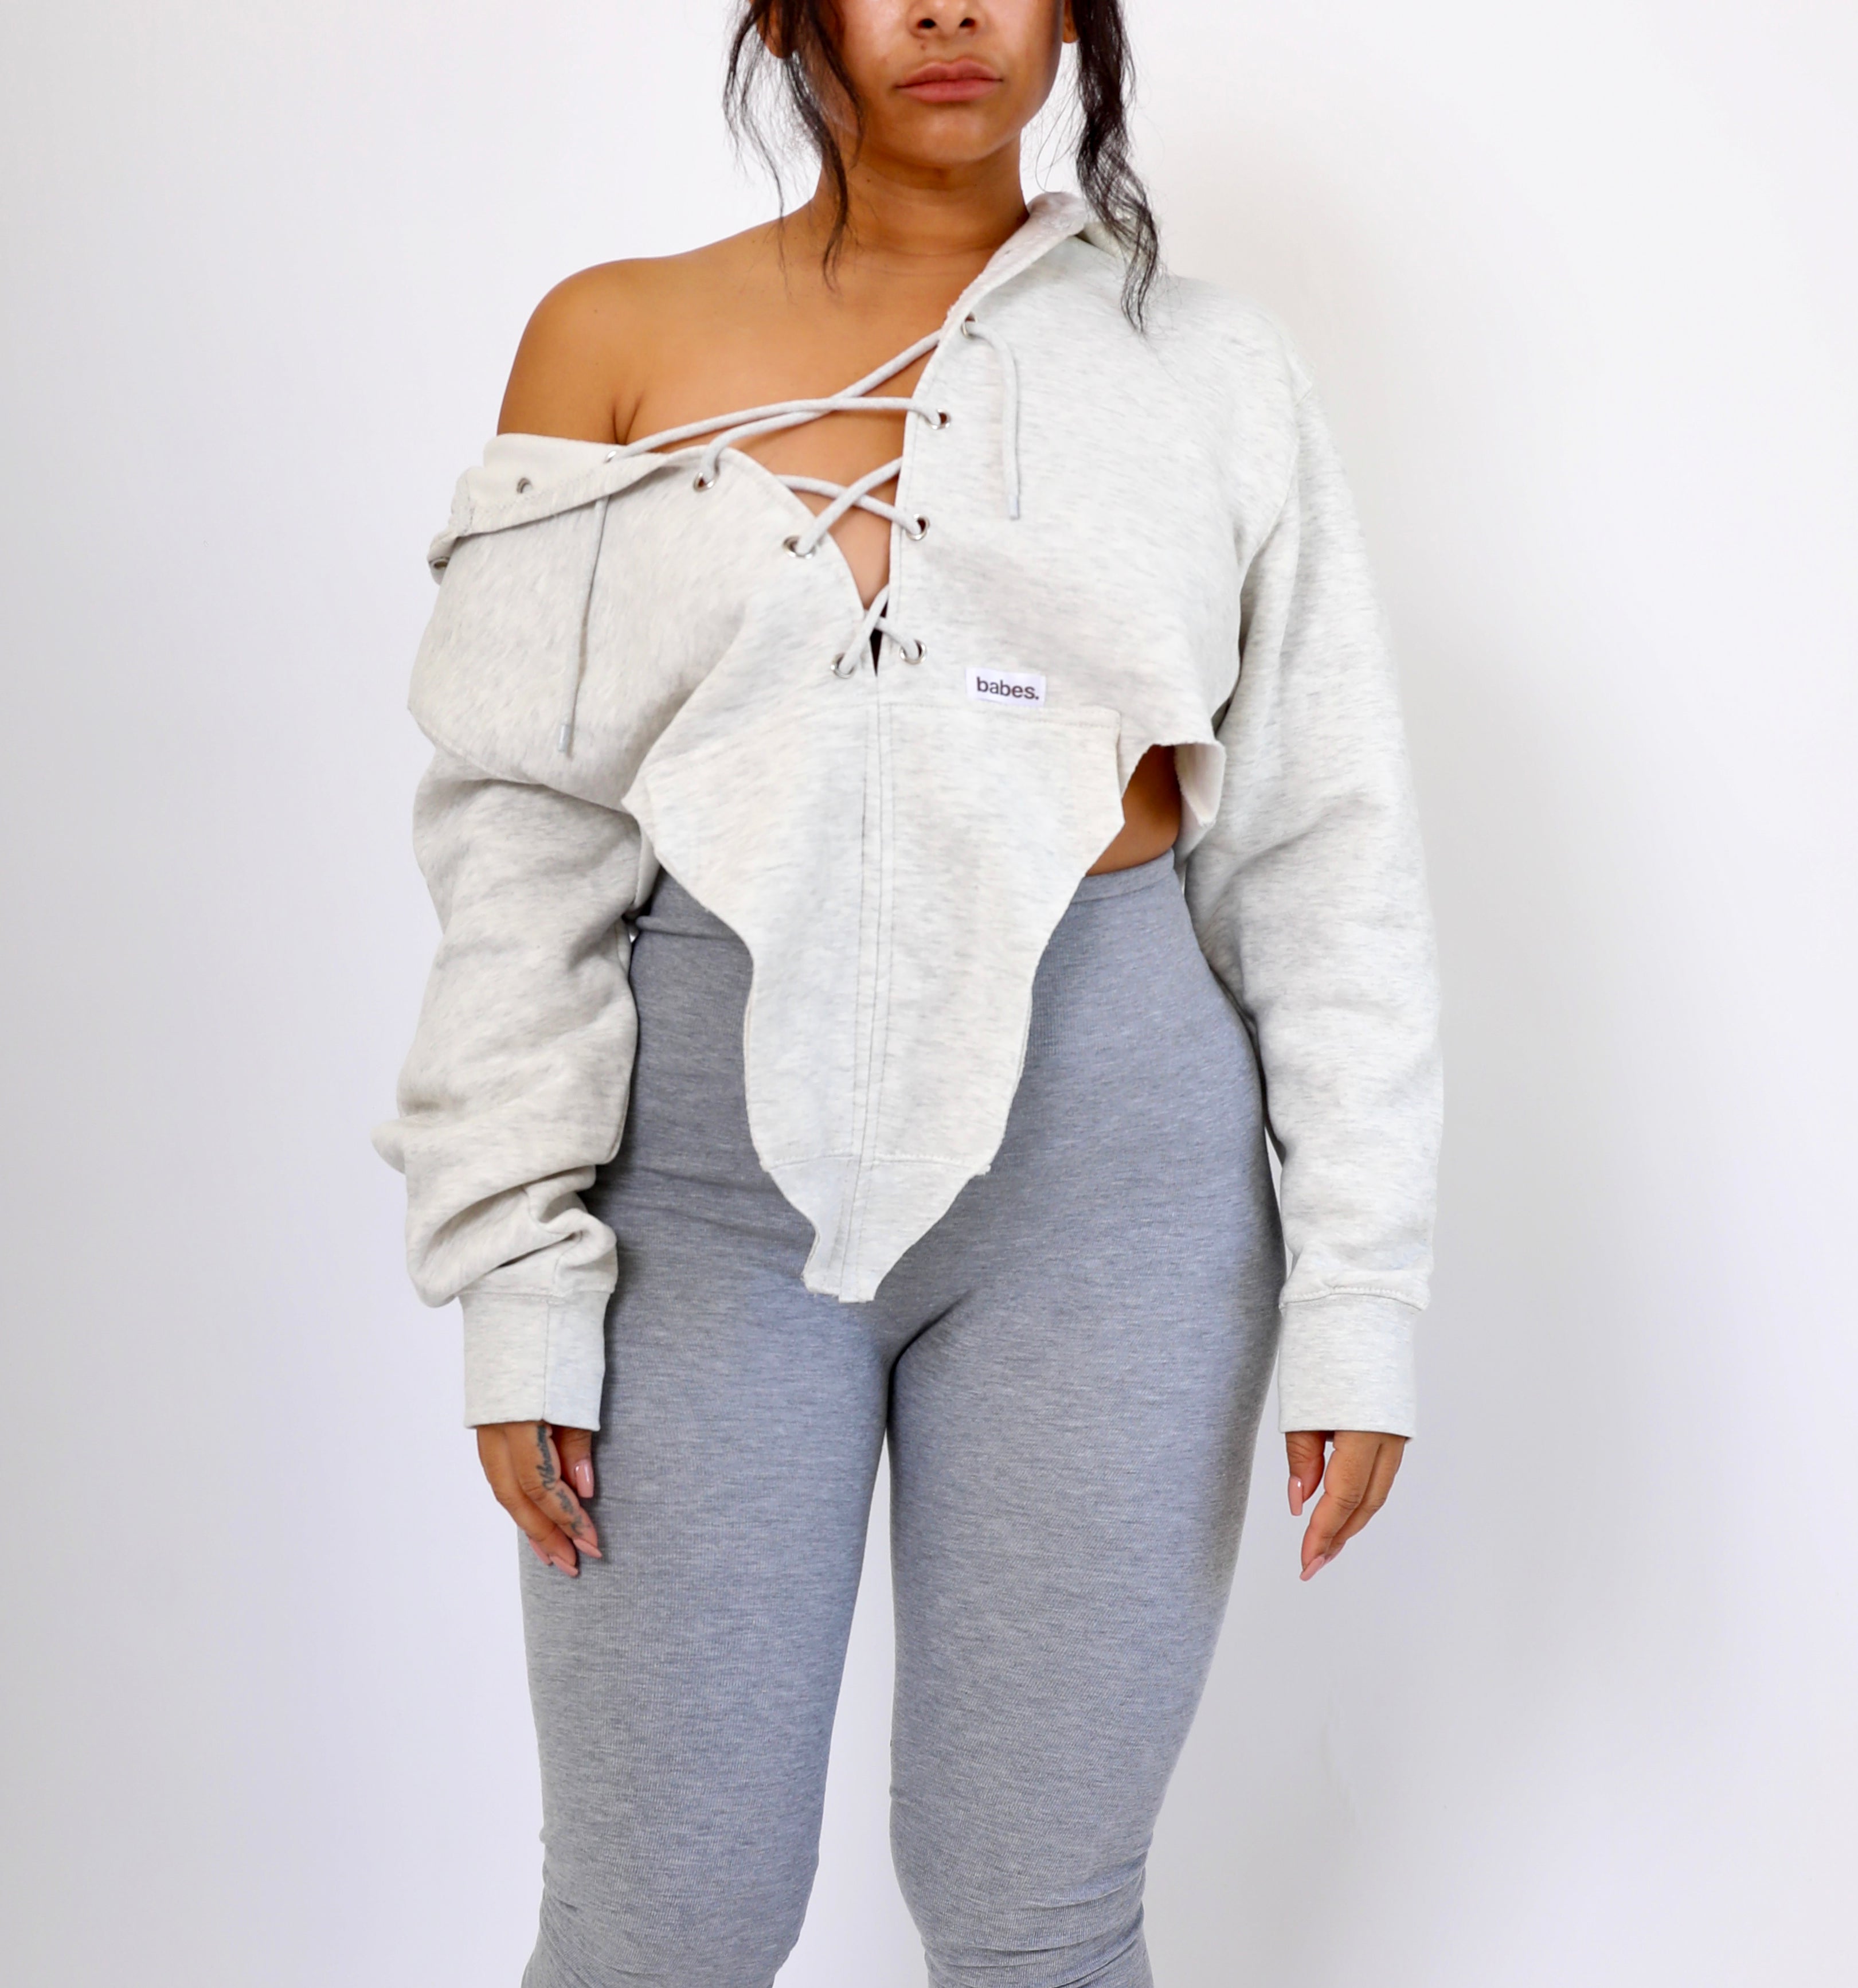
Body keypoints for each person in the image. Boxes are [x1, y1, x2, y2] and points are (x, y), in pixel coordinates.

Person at [374, 3, 1443, 1983]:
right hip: (697, 1212)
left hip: (1117, 1202)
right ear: (791, 18)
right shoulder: (611, 338)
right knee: (660, 1923)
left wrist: (1357, 1299)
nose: (948, 12)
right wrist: (515, 1268)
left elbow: (1320, 854)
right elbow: (521, 846)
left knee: (1039, 1920)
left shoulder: (1210, 369)